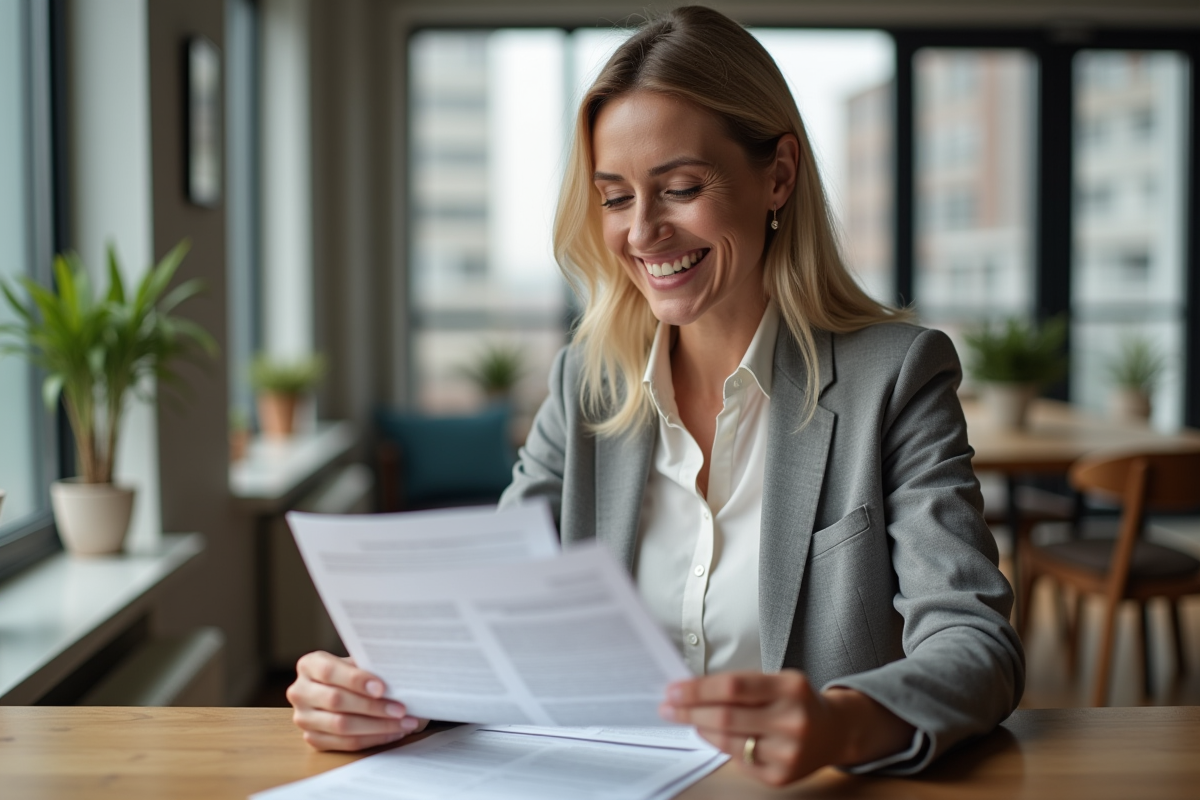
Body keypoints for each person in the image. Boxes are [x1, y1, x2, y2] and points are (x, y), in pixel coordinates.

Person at [287, 5, 1024, 786]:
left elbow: (976, 645)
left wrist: (843, 723)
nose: (642, 233)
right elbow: (494, 615)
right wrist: (370, 691)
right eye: (614, 197)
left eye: (678, 187)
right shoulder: (587, 382)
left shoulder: (897, 376)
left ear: (777, 175)